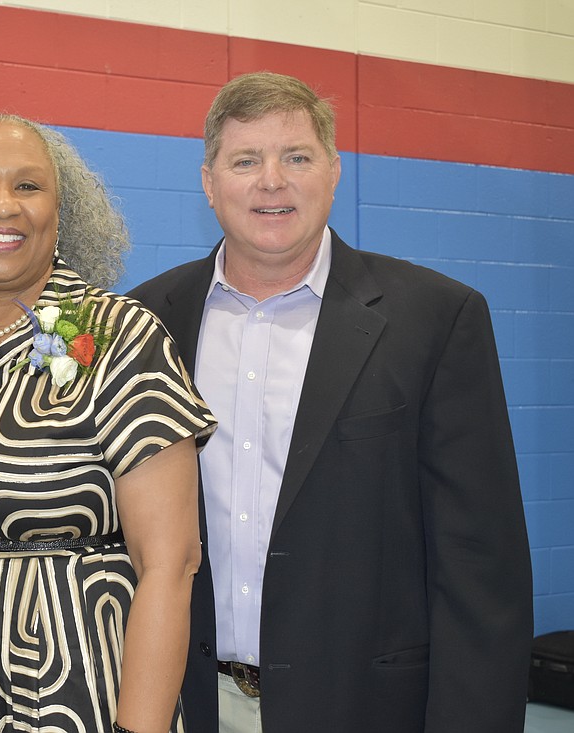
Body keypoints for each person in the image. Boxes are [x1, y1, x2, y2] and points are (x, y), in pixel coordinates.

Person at [129, 71, 534, 732]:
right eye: (245, 160)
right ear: (209, 182)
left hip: (368, 709)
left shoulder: (434, 318)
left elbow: (481, 572)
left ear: (334, 169)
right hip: (186, 703)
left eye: (296, 156)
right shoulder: (146, 322)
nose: (272, 180)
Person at [0, 113, 217, 733]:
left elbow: (171, 562)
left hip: (87, 690)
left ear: (61, 213)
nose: (2, 206)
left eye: (29, 186)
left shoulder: (118, 336)